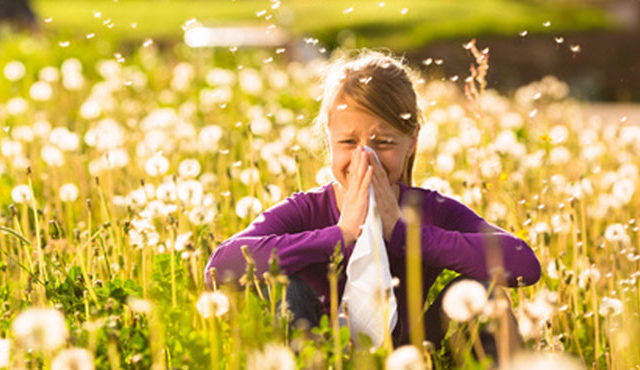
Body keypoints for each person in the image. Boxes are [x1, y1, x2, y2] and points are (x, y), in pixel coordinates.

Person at [204, 49, 541, 351]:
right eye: (349, 142)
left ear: (411, 142)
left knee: (485, 293)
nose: (365, 158)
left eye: (383, 143)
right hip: (317, 351)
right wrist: (340, 235)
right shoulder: (307, 209)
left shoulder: (429, 210)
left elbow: (524, 264)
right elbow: (220, 268)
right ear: (329, 141)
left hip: (411, 353)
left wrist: (406, 233)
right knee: (284, 286)